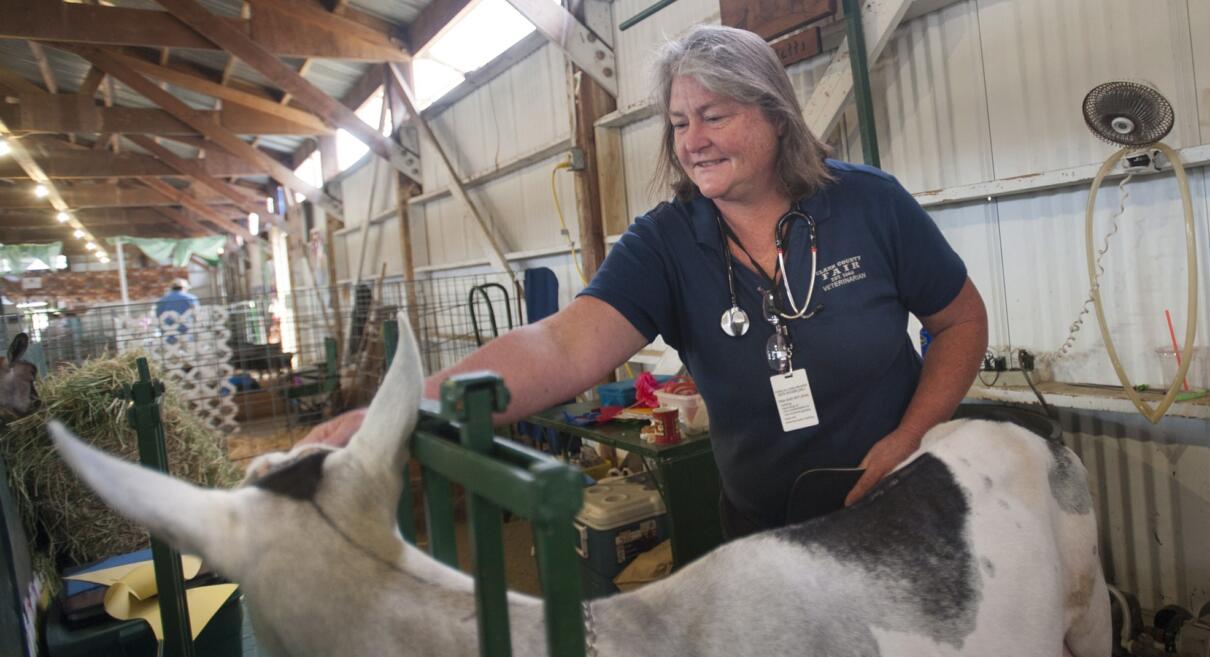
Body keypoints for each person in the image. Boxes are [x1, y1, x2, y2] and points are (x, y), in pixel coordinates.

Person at [305, 24, 988, 540]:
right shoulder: (665, 244)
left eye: (715, 116)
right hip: (768, 531)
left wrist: (913, 436)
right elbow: (560, 347)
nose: (693, 141)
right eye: (679, 122)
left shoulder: (869, 203)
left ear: (776, 116)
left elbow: (958, 322)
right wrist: (408, 408)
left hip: (900, 501)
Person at [155, 278, 199, 346]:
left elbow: (158, 315)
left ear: (171, 288)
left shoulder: (162, 300)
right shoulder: (191, 298)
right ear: (184, 288)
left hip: (168, 334)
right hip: (187, 333)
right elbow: (197, 314)